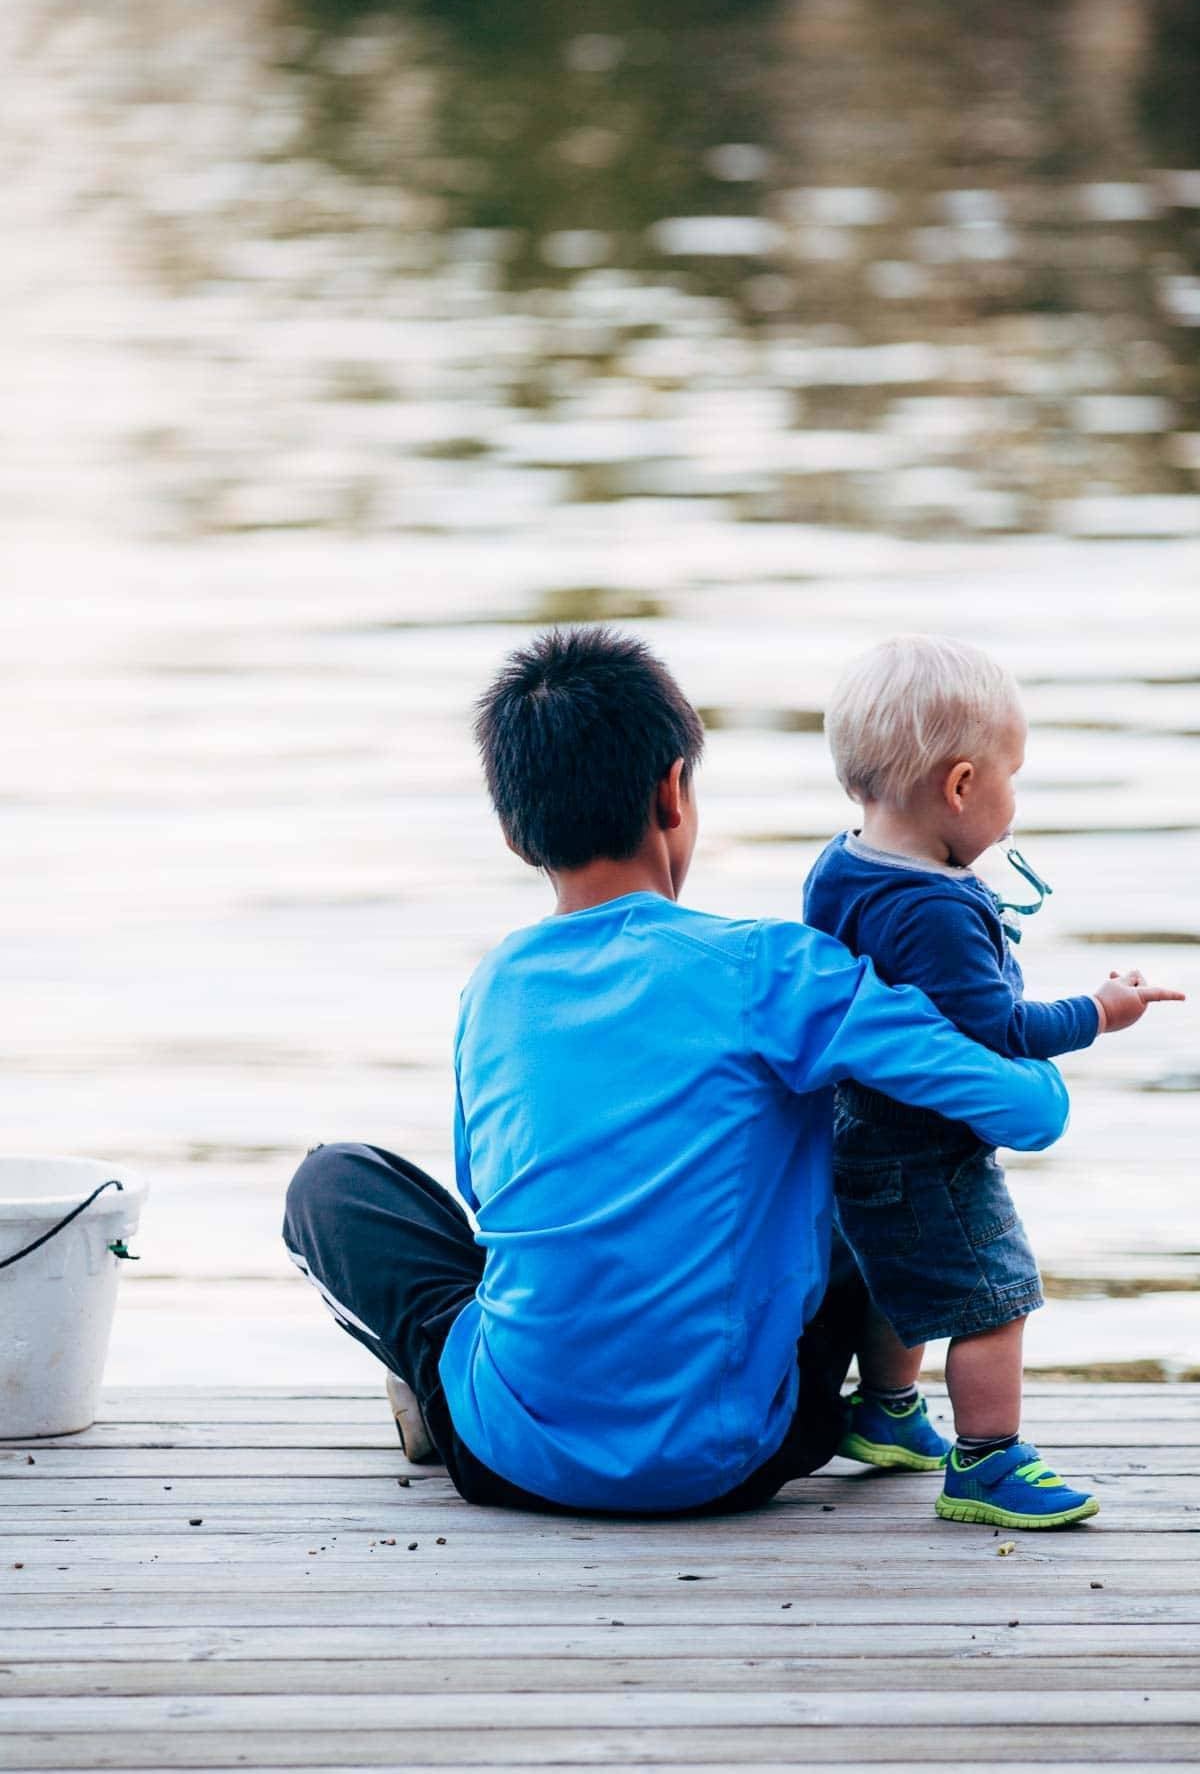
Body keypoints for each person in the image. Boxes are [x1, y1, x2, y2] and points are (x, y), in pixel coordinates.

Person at [284, 626, 1073, 1517]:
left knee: (331, 1180)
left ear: (513, 834)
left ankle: (450, 1383)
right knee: (859, 1131)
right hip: (742, 1454)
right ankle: (884, 1408)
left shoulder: (493, 987)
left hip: (510, 1454)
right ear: (673, 793)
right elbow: (1025, 1113)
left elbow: (487, 1199)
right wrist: (1044, 1072)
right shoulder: (775, 967)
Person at [805, 633, 1184, 1528]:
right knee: (992, 1292)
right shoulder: (935, 908)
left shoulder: (843, 863)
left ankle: (889, 1411)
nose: (1013, 806)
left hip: (856, 1123)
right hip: (929, 1142)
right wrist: (1097, 1011)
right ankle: (986, 1462)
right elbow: (997, 1033)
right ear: (963, 785)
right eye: (1012, 779)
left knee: (900, 1270)